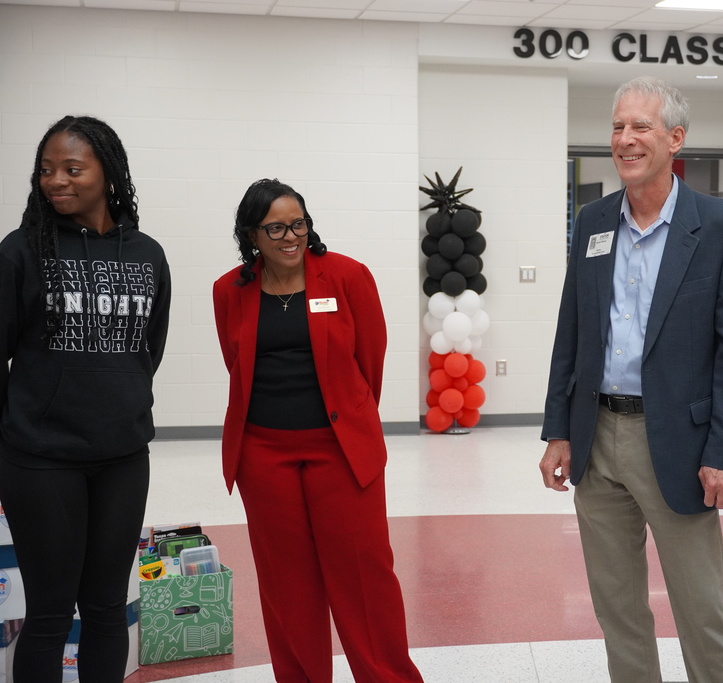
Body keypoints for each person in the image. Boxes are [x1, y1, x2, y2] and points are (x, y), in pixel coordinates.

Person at [539, 76, 723, 683]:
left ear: (675, 138)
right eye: (617, 126)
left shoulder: (722, 228)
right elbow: (573, 330)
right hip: (595, 435)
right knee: (616, 607)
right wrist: (558, 428)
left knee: (702, 606)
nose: (625, 139)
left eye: (641, 126)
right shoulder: (593, 222)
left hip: (679, 444)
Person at [213, 179, 422, 683]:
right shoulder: (229, 290)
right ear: (252, 235)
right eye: (276, 227)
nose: (291, 236)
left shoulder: (348, 277)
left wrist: (347, 417)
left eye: (299, 224)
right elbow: (236, 364)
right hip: (263, 453)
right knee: (287, 585)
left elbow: (370, 362)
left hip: (341, 450)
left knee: (364, 577)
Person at [0, 115, 171, 682]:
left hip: (122, 458)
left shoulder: (146, 255)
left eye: (73, 168)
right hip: (40, 459)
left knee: (104, 611)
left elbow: (149, 348)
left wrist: (119, 399)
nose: (56, 181)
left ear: (109, 172)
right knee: (49, 615)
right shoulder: (21, 251)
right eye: (46, 170)